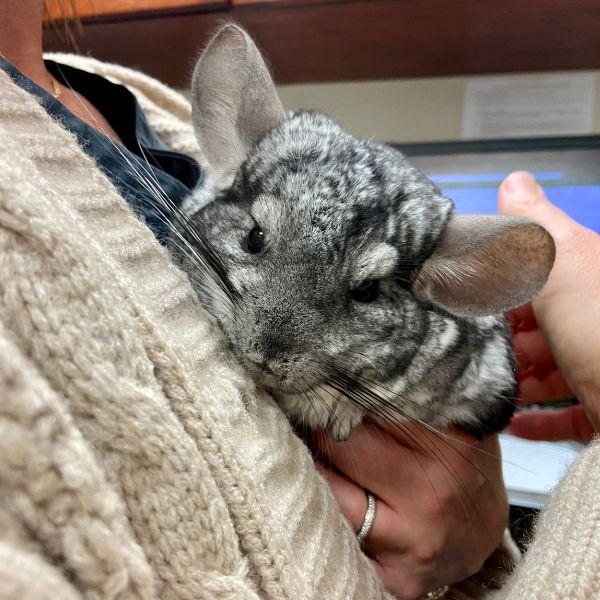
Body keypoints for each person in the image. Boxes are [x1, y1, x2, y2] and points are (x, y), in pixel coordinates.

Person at [0, 2, 598, 599]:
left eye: (362, 288)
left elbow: (458, 525)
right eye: (259, 237)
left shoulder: (149, 110)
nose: (266, 341)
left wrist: (469, 547)